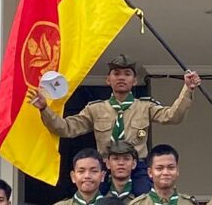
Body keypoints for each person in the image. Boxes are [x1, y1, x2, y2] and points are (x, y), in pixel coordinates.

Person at [43, 55, 201, 163]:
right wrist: (44, 108)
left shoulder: (145, 106)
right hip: (105, 167)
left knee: (144, 203)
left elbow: (172, 116)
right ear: (108, 80)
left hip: (137, 167)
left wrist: (188, 89)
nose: (121, 77)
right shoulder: (95, 109)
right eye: (116, 73)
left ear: (134, 81)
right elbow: (66, 128)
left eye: (127, 74)